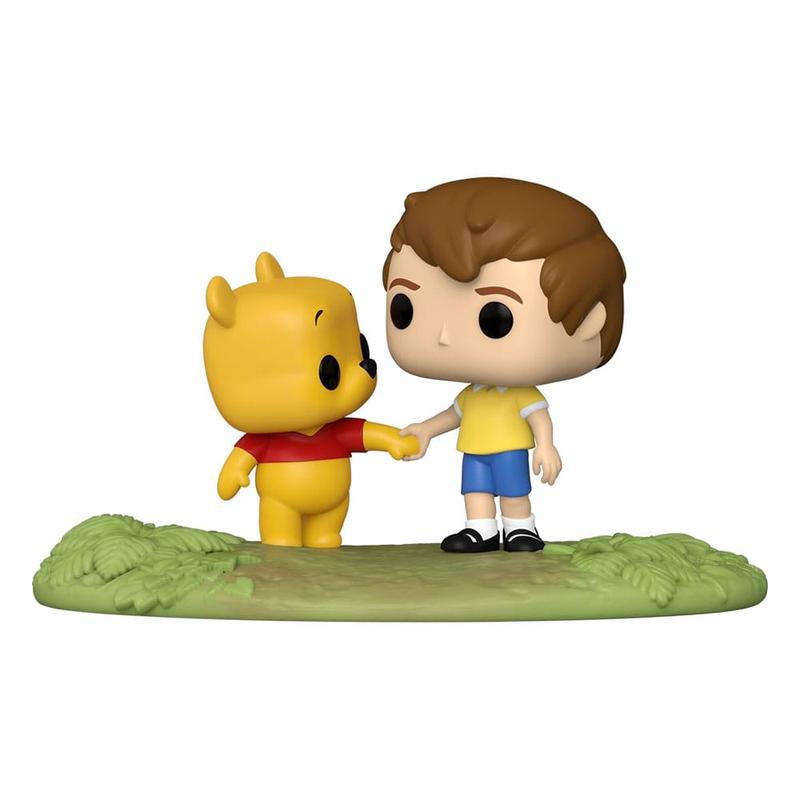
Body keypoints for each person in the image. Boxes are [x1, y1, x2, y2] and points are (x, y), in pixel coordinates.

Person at [383, 178, 625, 553]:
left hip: (510, 451)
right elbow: (454, 414)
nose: (444, 336)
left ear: (590, 321)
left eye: (495, 318)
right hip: (474, 451)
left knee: (513, 492)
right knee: (475, 491)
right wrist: (426, 430)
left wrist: (546, 446)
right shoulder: (473, 394)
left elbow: (538, 417)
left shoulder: (519, 395)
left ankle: (519, 527)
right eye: (405, 309)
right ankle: (480, 530)